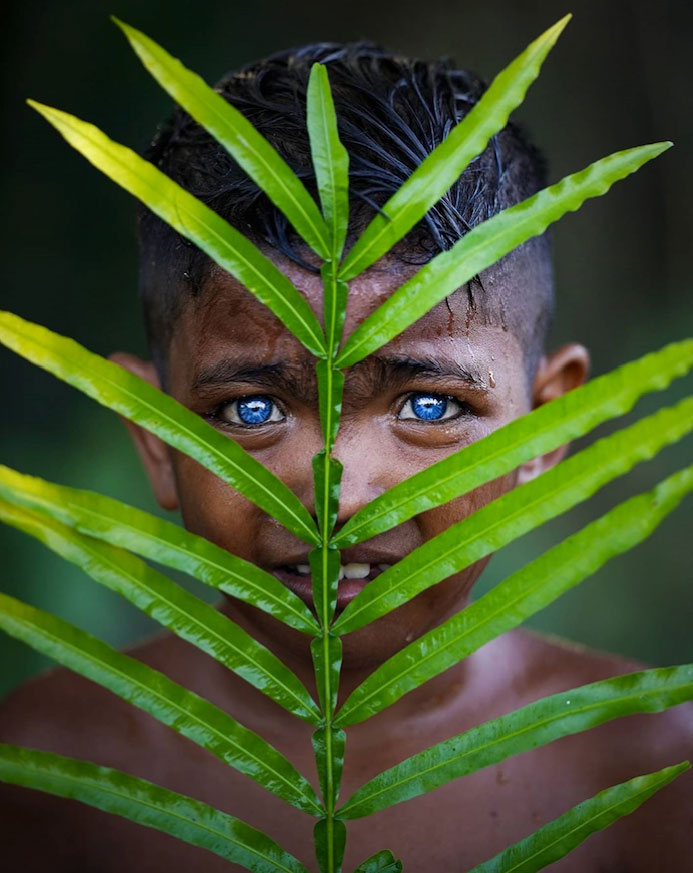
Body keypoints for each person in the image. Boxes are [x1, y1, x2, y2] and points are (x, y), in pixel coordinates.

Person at [0, 41, 690, 872]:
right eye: (250, 410)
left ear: (545, 429)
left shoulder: (654, 771)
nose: (338, 495)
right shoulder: (44, 770)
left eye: (428, 405)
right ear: (153, 436)